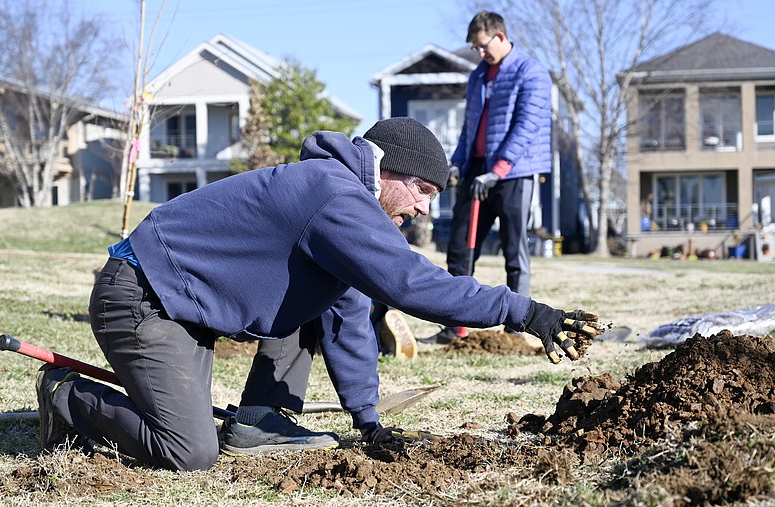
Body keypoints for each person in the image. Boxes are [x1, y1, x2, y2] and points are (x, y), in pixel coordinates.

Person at [35, 117, 596, 471]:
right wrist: (525, 311)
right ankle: (67, 397)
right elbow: (412, 284)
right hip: (140, 298)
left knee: (313, 306)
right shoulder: (334, 195)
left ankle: (260, 418)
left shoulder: (342, 203)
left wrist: (367, 418)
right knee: (190, 451)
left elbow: (346, 313)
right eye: (422, 191)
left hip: (186, 310)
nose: (425, 207)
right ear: (387, 172)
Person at [421, 11, 553, 344]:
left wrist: (498, 170)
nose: (480, 54)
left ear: (500, 36)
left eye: (483, 47)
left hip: (514, 174)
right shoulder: (478, 76)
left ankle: (514, 332)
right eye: (476, 49)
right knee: (460, 250)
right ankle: (454, 328)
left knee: (513, 251)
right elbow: (470, 127)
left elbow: (527, 126)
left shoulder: (531, 72)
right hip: (476, 172)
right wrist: (458, 164)